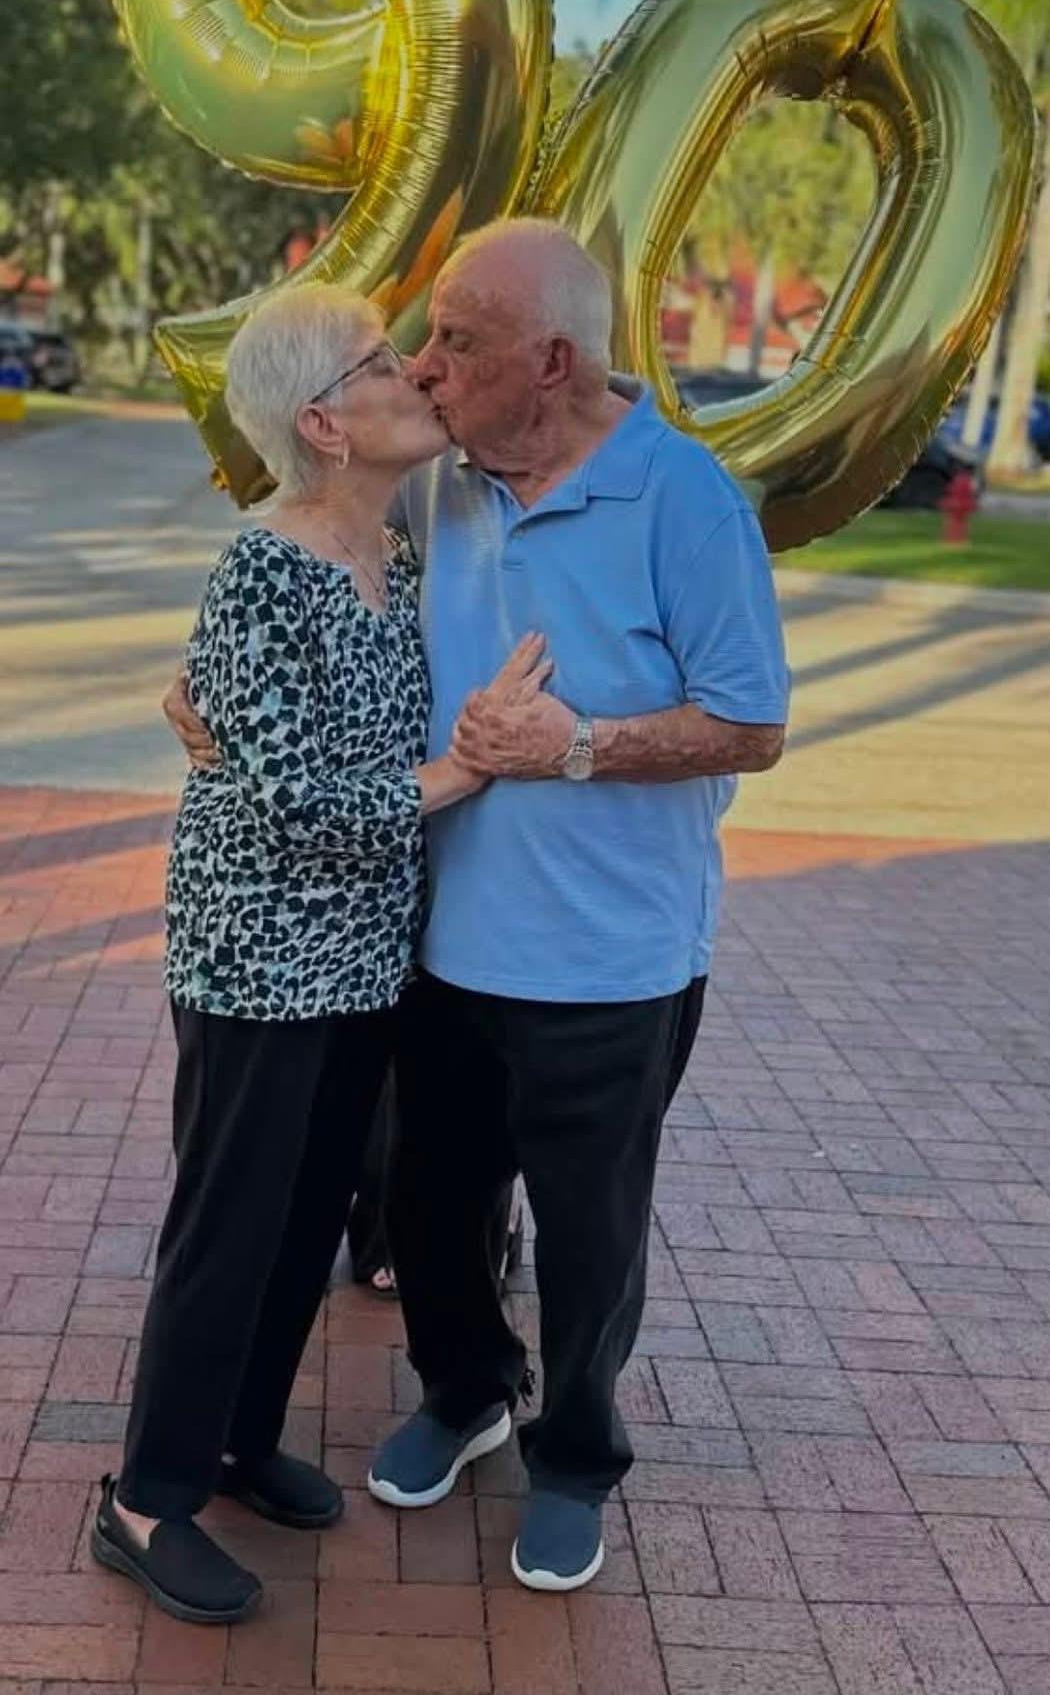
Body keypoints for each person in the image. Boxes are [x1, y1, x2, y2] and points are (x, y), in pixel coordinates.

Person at [167, 218, 789, 1597]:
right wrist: (205, 689)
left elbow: (751, 724)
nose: (427, 367)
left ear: (550, 361)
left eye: (456, 341)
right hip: (435, 948)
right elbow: (303, 566)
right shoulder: (438, 483)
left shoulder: (686, 500)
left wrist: (579, 745)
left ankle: (574, 1460)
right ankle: (466, 1392)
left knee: (588, 1235)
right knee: (431, 1209)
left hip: (613, 959)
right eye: (422, 341)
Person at [94, 284, 541, 1627]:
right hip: (256, 958)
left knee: (304, 1221)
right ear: (323, 424)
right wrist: (464, 770)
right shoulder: (265, 569)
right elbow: (296, 798)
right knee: (229, 1224)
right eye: (379, 361)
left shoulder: (391, 551)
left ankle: (240, 1441)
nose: (412, 372)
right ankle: (146, 1500)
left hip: (359, 961)